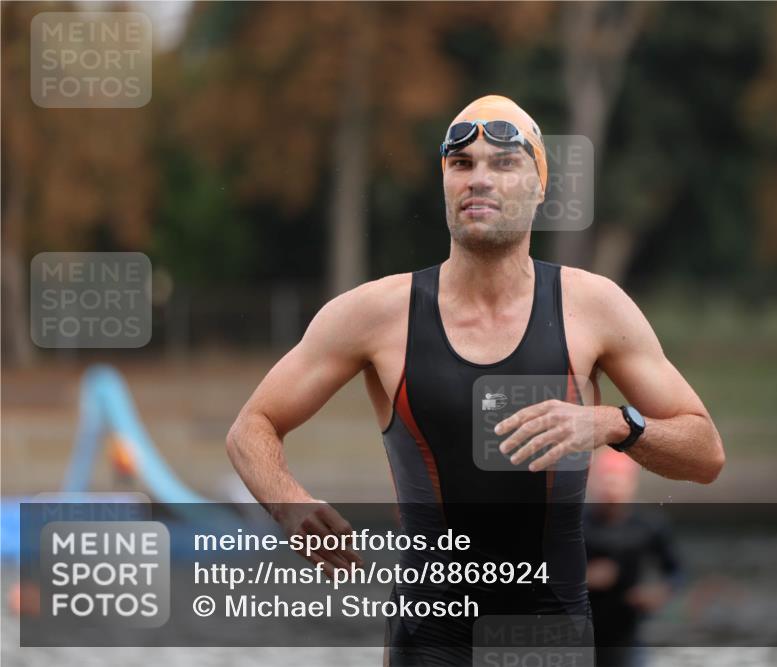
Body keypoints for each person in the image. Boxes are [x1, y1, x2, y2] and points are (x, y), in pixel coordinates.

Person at [226, 94, 725, 665]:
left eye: (503, 163)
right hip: (428, 643)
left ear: (539, 185)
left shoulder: (594, 307)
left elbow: (705, 453)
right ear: (444, 182)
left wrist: (612, 423)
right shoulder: (376, 313)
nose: (479, 179)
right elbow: (251, 426)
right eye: (462, 164)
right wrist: (288, 504)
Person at [584, 447, 681, 667]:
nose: (611, 490)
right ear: (593, 483)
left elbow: (676, 572)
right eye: (606, 481)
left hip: (628, 635)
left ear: (631, 484)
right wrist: (583, 577)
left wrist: (658, 593)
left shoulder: (649, 525)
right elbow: (541, 573)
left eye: (618, 482)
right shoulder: (575, 524)